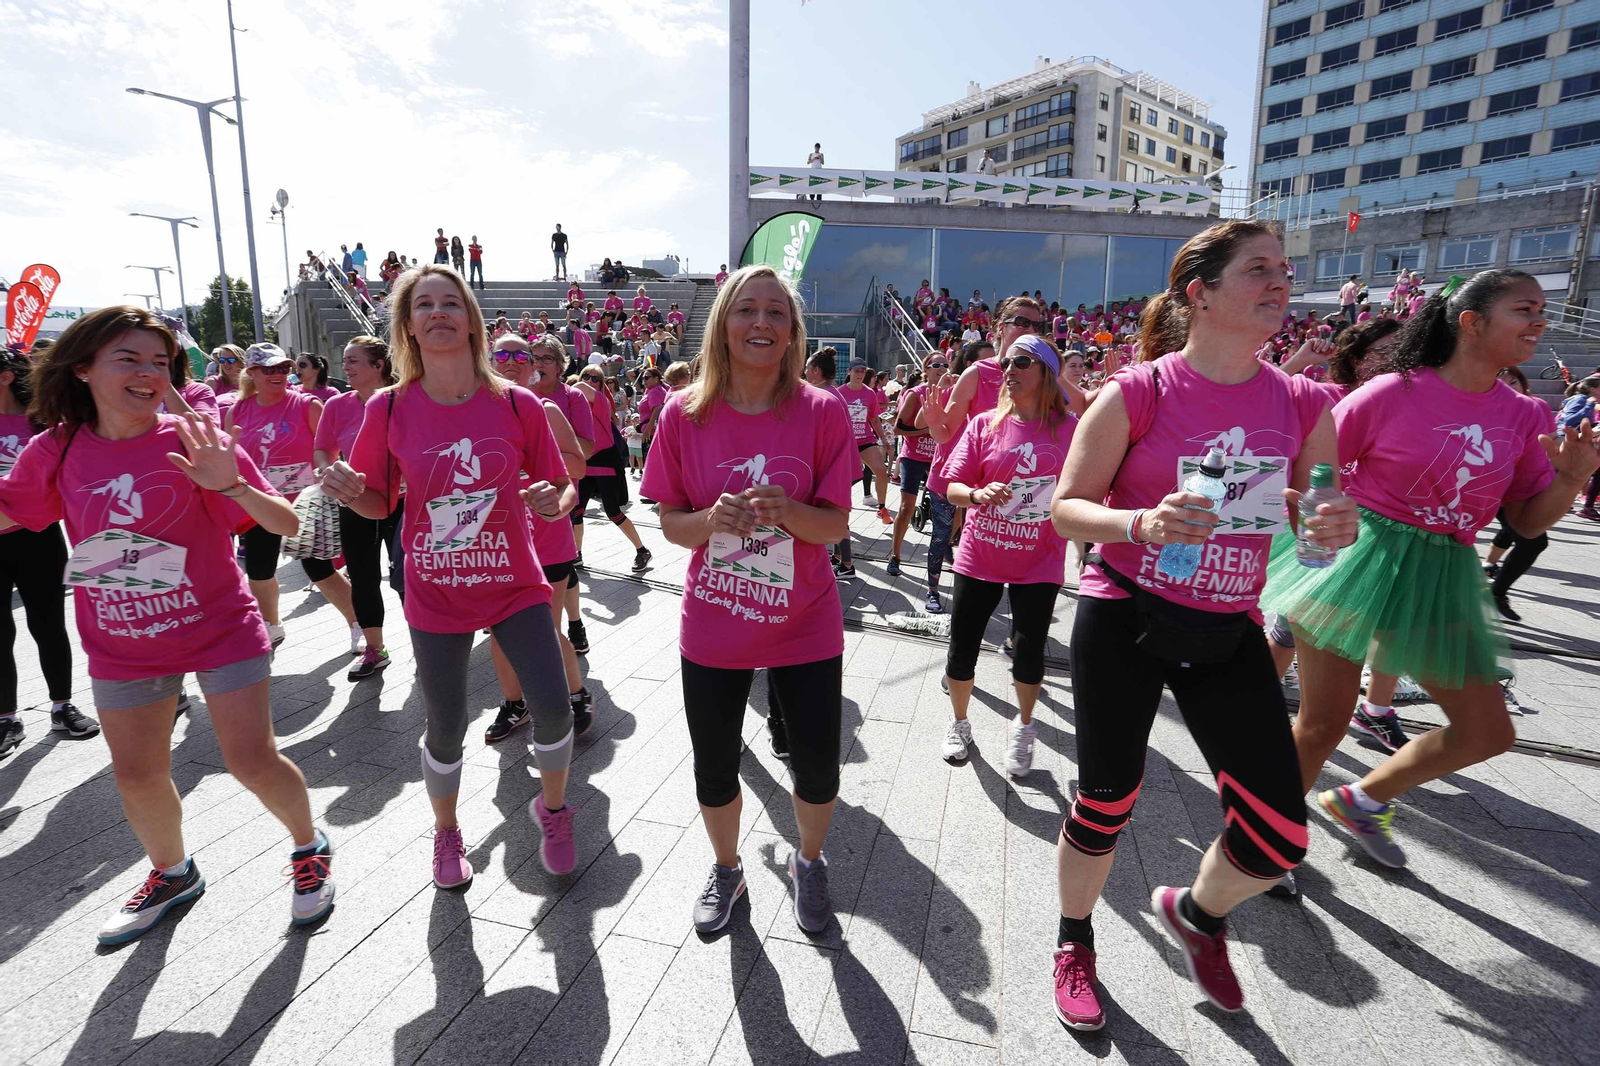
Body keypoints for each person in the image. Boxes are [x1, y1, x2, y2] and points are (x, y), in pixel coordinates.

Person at [1047, 220, 1357, 1027]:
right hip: (1126, 610)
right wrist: (1141, 522)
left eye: (1284, 268)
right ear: (1201, 292)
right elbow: (1066, 508)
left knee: (1280, 837)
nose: (1280, 281)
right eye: (1258, 269)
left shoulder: (1305, 403)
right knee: (1105, 802)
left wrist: (1332, 527)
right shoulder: (1137, 391)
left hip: (1227, 624)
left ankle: (1197, 914)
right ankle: (1074, 939)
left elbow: (1319, 524)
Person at [0, 306, 334, 942]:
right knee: (137, 775)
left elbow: (287, 524)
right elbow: (13, 512)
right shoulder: (57, 447)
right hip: (121, 641)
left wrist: (231, 485)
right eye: (128, 358)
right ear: (83, 368)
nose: (149, 373)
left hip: (219, 627)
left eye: (160, 362)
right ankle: (173, 873)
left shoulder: (194, 437)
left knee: (251, 760)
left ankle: (308, 844)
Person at [1267, 269, 1600, 870]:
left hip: (1444, 570)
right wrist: (1313, 525)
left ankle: (1364, 798)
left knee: (1488, 732)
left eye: (1542, 310)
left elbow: (1527, 523)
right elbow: (1311, 469)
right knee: (1322, 725)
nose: (1540, 321)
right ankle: (1263, 846)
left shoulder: (1526, 414)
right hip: (1357, 556)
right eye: (1525, 309)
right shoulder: (1391, 391)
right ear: (1471, 322)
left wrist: (1573, 478)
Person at [319, 264, 580, 888]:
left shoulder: (517, 402)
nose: (438, 312)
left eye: (451, 302)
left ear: (471, 321)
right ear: (408, 326)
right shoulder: (388, 407)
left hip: (514, 581)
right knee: (445, 723)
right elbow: (378, 503)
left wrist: (555, 502)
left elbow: (563, 485)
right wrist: (349, 493)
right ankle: (446, 831)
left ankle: (553, 809)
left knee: (553, 709)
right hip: (436, 587)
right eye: (424, 305)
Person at [641, 263, 853, 934]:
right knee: (714, 766)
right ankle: (727, 868)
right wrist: (711, 520)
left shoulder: (822, 411)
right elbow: (670, 523)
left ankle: (809, 861)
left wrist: (790, 511)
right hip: (715, 623)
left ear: (792, 332)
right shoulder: (683, 412)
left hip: (805, 623)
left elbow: (836, 525)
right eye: (746, 309)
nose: (761, 322)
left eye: (776, 312)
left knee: (816, 767)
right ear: (722, 324)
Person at [940, 335, 1077, 777]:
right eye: (1006, 363)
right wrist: (978, 494)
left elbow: (1086, 491)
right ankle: (960, 723)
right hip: (980, 554)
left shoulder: (1071, 430)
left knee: (1029, 652)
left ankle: (1024, 724)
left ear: (1046, 373)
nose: (1009, 370)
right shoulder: (985, 424)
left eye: (1021, 362)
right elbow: (952, 487)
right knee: (962, 649)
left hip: (1039, 560)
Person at [481, 334, 596, 741]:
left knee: (542, 629)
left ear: (533, 367)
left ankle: (576, 694)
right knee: (500, 631)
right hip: (497, 541)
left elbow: (578, 468)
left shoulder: (545, 409)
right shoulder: (477, 412)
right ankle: (515, 704)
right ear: (489, 362)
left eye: (521, 355)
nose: (511, 361)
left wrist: (533, 455)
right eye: (502, 354)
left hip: (547, 537)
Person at [225, 344, 360, 652]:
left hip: (305, 505)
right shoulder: (238, 410)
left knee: (320, 570)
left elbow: (329, 448)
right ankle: (271, 625)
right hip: (262, 504)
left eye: (284, 368)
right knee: (259, 571)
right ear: (252, 372)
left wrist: (325, 476)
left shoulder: (306, 404)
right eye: (269, 369)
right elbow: (230, 455)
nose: (279, 374)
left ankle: (359, 623)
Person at [0, 349, 94, 758]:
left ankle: (62, 707)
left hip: (38, 537)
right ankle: (6, 718)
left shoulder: (42, 423)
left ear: (5, 377)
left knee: (49, 624)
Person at [314, 337, 401, 681]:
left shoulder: (405, 398)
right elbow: (323, 449)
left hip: (406, 503)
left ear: (378, 365)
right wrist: (328, 472)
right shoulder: (337, 405)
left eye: (353, 361)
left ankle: (429, 646)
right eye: (345, 361)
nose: (345, 367)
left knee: (408, 577)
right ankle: (374, 650)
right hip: (356, 501)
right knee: (363, 577)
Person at [572, 362, 652, 575]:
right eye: (586, 376)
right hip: (585, 463)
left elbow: (579, 388)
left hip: (605, 462)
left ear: (601, 384)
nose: (589, 381)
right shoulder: (575, 404)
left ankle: (642, 550)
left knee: (613, 512)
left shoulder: (601, 400)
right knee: (577, 511)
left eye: (595, 378)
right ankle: (577, 554)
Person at [205, 344, 245, 421]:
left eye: (231, 360)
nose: (226, 364)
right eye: (222, 360)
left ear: (241, 362)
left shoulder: (251, 384)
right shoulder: (213, 383)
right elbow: (203, 408)